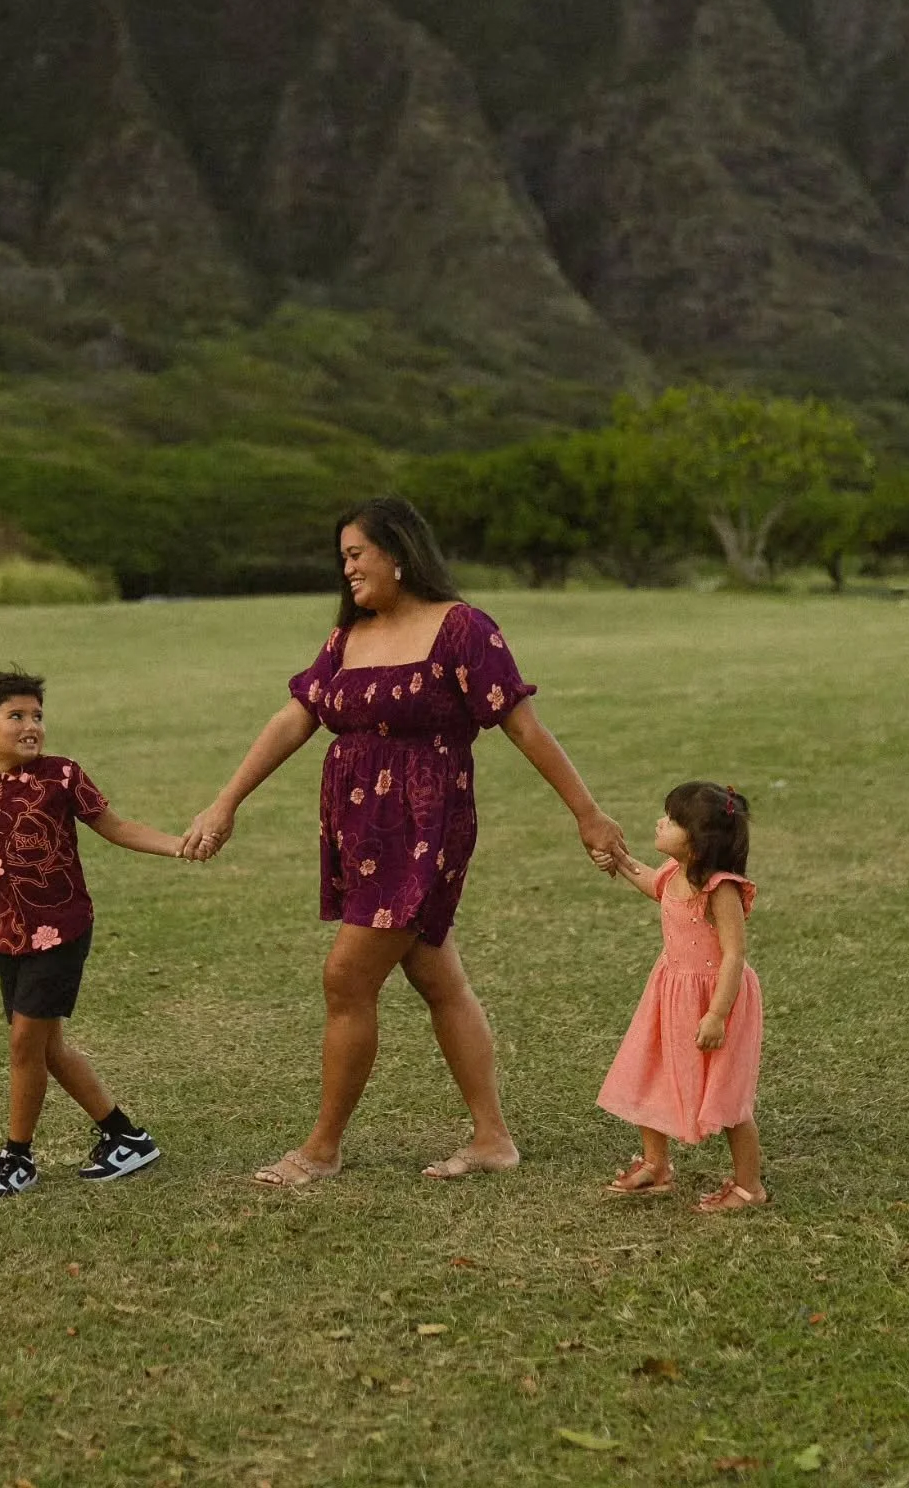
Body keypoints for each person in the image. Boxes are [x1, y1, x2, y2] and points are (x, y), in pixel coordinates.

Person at [183, 496, 626, 1187]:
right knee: (434, 975)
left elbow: (524, 727)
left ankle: (321, 1149)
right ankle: (492, 1139)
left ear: (398, 552)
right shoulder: (348, 637)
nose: (348, 568)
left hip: (425, 825)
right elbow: (295, 719)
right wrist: (226, 801)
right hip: (362, 830)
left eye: (357, 554)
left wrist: (588, 814)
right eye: (343, 558)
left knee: (347, 976)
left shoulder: (462, 629)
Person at [0, 665, 206, 1201]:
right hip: (10, 937)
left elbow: (116, 827)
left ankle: (17, 1156)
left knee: (24, 1043)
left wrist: (177, 844)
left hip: (61, 930)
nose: (30, 725)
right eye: (14, 716)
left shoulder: (62, 776)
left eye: (37, 715)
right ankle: (126, 1137)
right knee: (47, 1048)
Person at [597, 781, 766, 1212]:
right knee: (650, 1071)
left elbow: (733, 955)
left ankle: (749, 1186)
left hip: (714, 1000)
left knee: (726, 1094)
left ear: (697, 841)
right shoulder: (674, 874)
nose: (660, 822)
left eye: (672, 820)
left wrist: (717, 1014)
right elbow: (648, 881)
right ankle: (656, 1165)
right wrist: (617, 858)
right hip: (670, 992)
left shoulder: (719, 889)